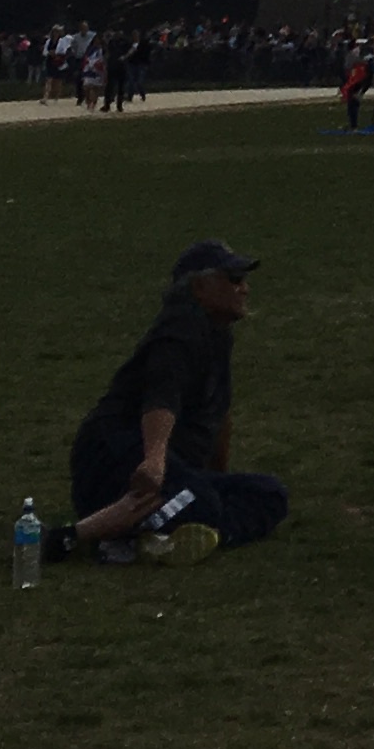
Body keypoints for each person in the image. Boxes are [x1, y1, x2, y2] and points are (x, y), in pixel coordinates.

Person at [50, 239, 288, 564]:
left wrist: (215, 475)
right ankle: (104, 538)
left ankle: (181, 535)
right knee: (203, 501)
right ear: (200, 288)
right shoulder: (179, 333)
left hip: (165, 466)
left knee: (270, 493)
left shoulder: (216, 336)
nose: (244, 289)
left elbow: (219, 414)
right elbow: (161, 398)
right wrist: (154, 461)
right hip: (118, 457)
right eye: (234, 279)